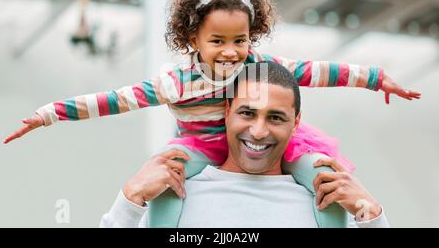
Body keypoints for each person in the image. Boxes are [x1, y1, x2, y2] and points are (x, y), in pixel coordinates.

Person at [4, 0, 418, 227]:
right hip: (200, 146)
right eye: (216, 40)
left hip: (292, 154)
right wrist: (48, 114)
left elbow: (326, 72)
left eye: (239, 40)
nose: (230, 51)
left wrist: (378, 79)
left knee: (326, 178)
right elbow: (113, 100)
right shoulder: (177, 83)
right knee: (169, 179)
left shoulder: (262, 67)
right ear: (192, 39)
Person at [100, 62, 389, 228]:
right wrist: (129, 198)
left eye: (275, 117)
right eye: (247, 113)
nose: (259, 131)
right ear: (227, 111)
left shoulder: (326, 204)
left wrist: (374, 217)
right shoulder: (174, 194)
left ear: (296, 122)